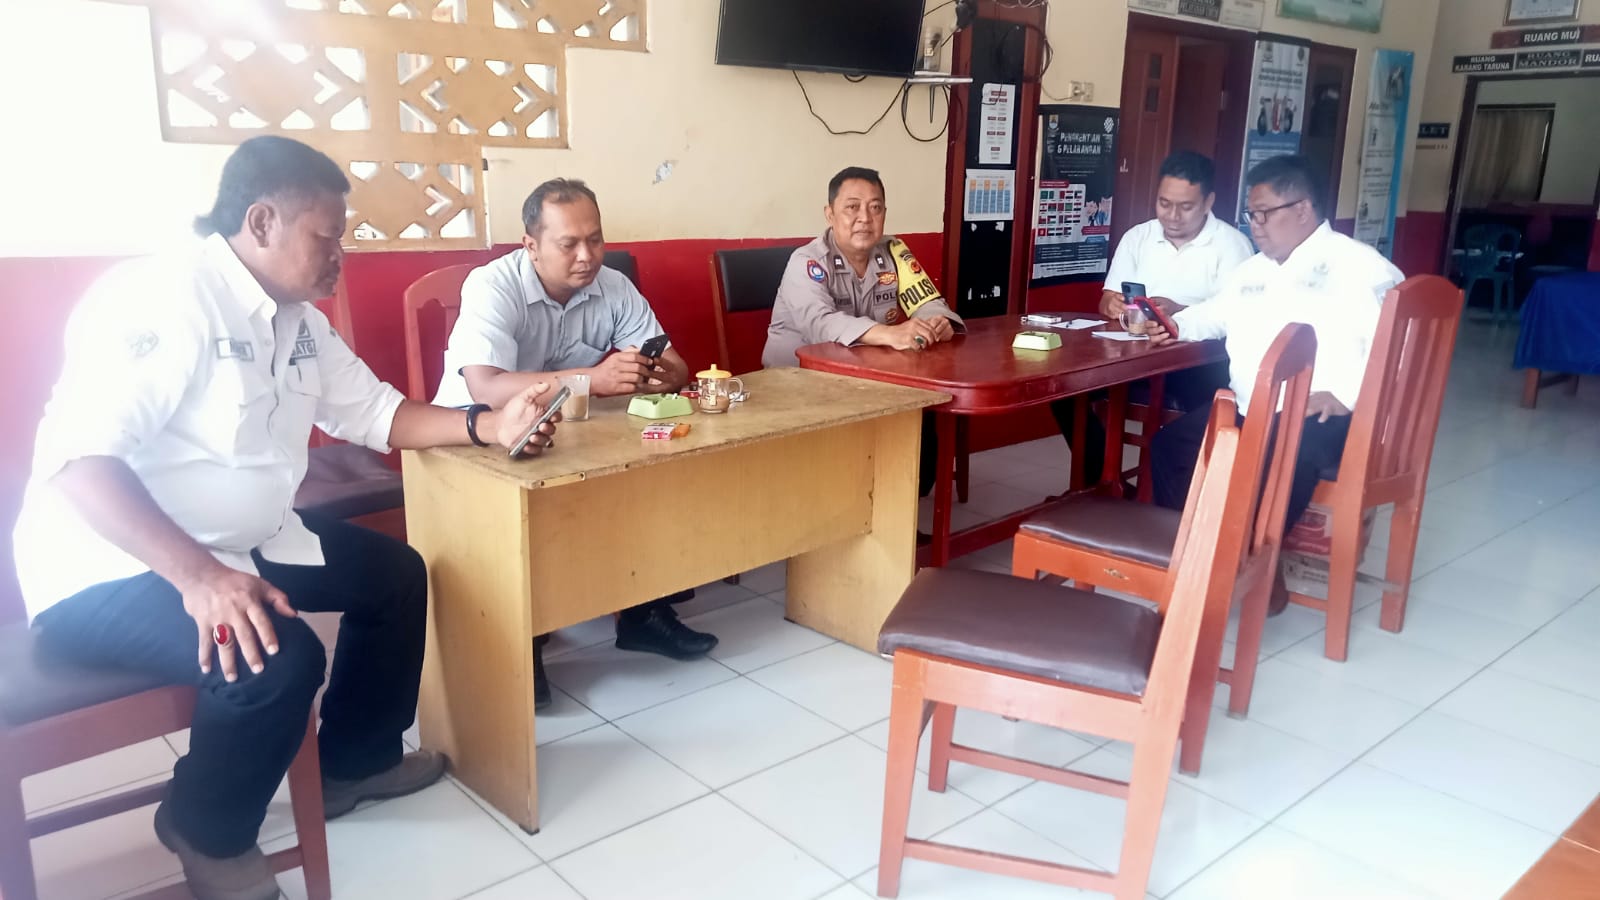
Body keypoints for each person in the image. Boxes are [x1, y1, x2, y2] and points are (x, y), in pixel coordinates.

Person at [12, 136, 560, 900]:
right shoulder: (164, 296)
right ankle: (206, 828)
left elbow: (378, 413)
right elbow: (78, 461)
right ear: (262, 221)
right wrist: (202, 580)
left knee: (395, 573)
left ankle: (354, 763)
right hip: (118, 564)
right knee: (277, 658)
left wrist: (489, 426)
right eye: (326, 237)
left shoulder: (298, 320)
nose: (341, 257)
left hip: (244, 543)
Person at [433, 178, 716, 707]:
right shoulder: (493, 286)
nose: (587, 256)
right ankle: (524, 641)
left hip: (563, 428)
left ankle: (642, 613)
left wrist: (655, 373)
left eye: (595, 239)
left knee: (648, 460)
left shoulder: (613, 286)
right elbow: (486, 387)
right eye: (569, 244)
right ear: (531, 245)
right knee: (531, 498)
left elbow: (676, 367)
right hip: (473, 437)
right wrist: (594, 379)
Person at [1145, 154, 1403, 613]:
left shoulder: (1362, 269)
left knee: (1280, 455)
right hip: (1252, 407)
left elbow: (1400, 349)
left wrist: (1348, 396)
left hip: (1326, 416)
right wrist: (1173, 324)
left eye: (1265, 214)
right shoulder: (1253, 271)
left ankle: (1231, 569)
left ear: (1302, 209)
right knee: (1170, 447)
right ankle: (1222, 558)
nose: (1256, 226)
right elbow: (1213, 315)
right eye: (1251, 214)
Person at [1052, 152, 1254, 486]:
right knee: (1064, 391)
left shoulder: (1232, 245)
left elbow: (1234, 314)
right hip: (1133, 356)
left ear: (1208, 202)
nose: (1172, 216)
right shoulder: (1139, 237)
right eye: (1164, 203)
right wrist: (1115, 305)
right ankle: (1103, 483)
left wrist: (1177, 310)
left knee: (1207, 412)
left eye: (1186, 207)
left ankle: (1194, 490)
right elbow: (1106, 300)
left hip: (1197, 362)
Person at [761, 166, 964, 497]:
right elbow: (820, 324)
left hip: (866, 380)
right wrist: (890, 334)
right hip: (798, 383)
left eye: (875, 207)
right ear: (830, 214)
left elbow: (929, 303)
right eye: (852, 207)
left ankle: (898, 501)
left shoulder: (894, 253)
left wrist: (938, 322)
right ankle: (858, 500)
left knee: (922, 404)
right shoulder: (807, 261)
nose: (865, 218)